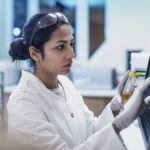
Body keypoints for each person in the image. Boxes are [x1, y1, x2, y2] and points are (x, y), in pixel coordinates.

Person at [7, 12, 150, 150]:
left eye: (71, 44)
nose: (71, 54)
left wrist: (116, 105)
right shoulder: (23, 102)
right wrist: (121, 123)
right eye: (60, 47)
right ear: (35, 53)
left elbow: (91, 132)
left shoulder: (65, 84)